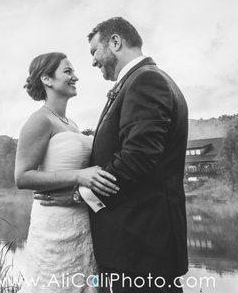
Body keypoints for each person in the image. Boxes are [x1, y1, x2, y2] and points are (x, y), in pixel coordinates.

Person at [78, 17, 188, 292]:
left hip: (141, 248)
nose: (92, 61)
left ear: (115, 42)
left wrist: (83, 193)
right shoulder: (140, 80)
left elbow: (137, 156)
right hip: (140, 247)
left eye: (94, 51)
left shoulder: (147, 80)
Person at [14, 52, 119, 293]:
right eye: (68, 71)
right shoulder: (39, 121)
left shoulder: (71, 124)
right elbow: (22, 177)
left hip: (82, 221)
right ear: (47, 79)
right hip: (54, 227)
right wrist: (78, 176)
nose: (75, 77)